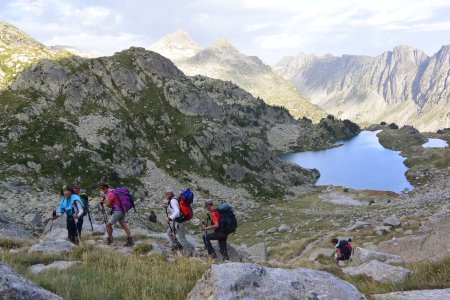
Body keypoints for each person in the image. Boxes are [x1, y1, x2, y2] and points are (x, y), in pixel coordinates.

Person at [99, 182, 134, 247]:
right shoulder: (112, 191)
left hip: (118, 211)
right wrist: (105, 201)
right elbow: (111, 204)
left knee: (108, 224)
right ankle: (130, 240)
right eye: (101, 189)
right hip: (121, 210)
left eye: (102, 189)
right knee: (124, 225)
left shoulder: (110, 194)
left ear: (106, 188)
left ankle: (110, 238)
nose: (102, 190)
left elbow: (109, 205)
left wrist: (104, 200)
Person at [164, 187, 194, 255]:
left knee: (182, 239)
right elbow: (175, 208)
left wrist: (169, 218)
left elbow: (177, 211)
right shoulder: (173, 199)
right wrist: (167, 206)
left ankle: (190, 252)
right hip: (176, 221)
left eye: (166, 193)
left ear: (169, 193)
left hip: (179, 222)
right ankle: (177, 245)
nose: (165, 195)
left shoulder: (173, 201)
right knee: (169, 233)